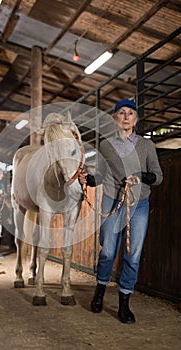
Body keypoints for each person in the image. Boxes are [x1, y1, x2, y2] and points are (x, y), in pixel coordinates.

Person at [79, 99, 163, 324]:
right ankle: (100, 290)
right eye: (121, 113)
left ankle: (124, 303)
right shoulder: (106, 146)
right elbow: (100, 176)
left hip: (139, 204)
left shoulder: (147, 146)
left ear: (136, 119)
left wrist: (140, 176)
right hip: (111, 200)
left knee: (133, 255)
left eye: (131, 113)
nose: (126, 116)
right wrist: (88, 179)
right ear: (115, 118)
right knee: (107, 251)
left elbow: (158, 176)